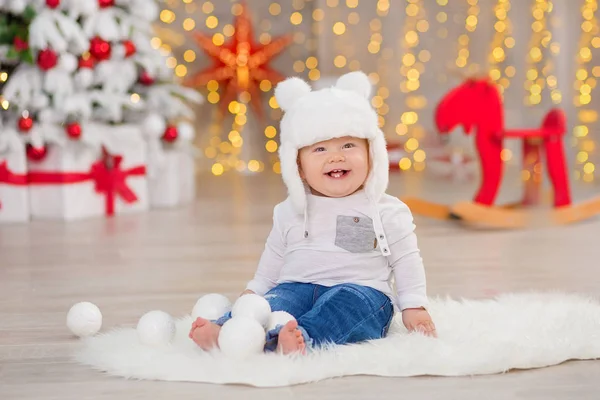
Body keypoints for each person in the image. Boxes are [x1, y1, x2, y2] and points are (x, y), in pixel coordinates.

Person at [189, 71, 436, 354]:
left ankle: (304, 338)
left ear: (372, 154)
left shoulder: (387, 210)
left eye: (348, 145)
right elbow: (274, 258)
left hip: (362, 290)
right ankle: (228, 330)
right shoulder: (289, 211)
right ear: (298, 166)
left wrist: (414, 305)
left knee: (342, 307)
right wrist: (254, 293)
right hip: (298, 286)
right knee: (275, 302)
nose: (336, 156)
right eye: (319, 149)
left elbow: (406, 260)